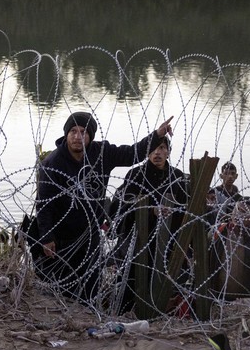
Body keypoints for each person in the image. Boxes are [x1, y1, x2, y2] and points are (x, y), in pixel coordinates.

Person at [35, 111, 174, 304]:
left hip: (90, 232)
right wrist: (47, 237)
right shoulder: (52, 164)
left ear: (90, 135)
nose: (77, 137)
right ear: (66, 134)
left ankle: (87, 316)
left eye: (83, 132)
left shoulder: (102, 153)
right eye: (73, 131)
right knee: (63, 287)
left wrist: (156, 136)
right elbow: (44, 204)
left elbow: (132, 154)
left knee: (90, 287)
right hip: (62, 235)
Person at [107, 135, 189, 312]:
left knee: (163, 284)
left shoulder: (177, 177)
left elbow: (185, 208)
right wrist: (149, 210)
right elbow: (121, 206)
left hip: (167, 241)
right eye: (153, 149)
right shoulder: (136, 174)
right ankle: (121, 312)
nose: (157, 153)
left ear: (168, 151)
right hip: (137, 240)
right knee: (130, 282)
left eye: (161, 148)